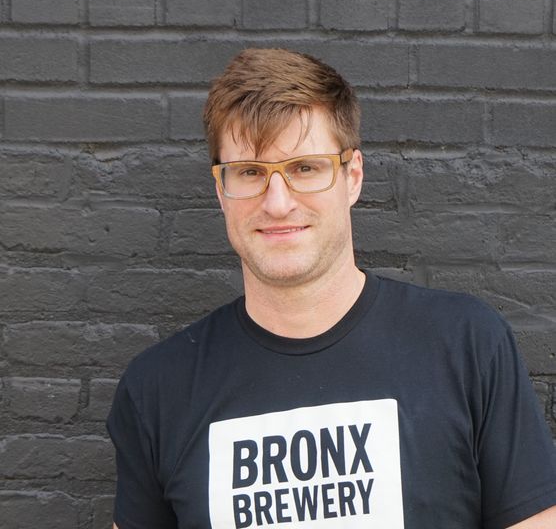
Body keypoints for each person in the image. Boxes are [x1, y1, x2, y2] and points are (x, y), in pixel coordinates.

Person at [107, 48, 556, 529]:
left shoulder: (465, 344)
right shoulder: (158, 388)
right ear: (221, 192)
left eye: (305, 168)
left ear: (352, 177)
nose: (277, 204)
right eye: (250, 173)